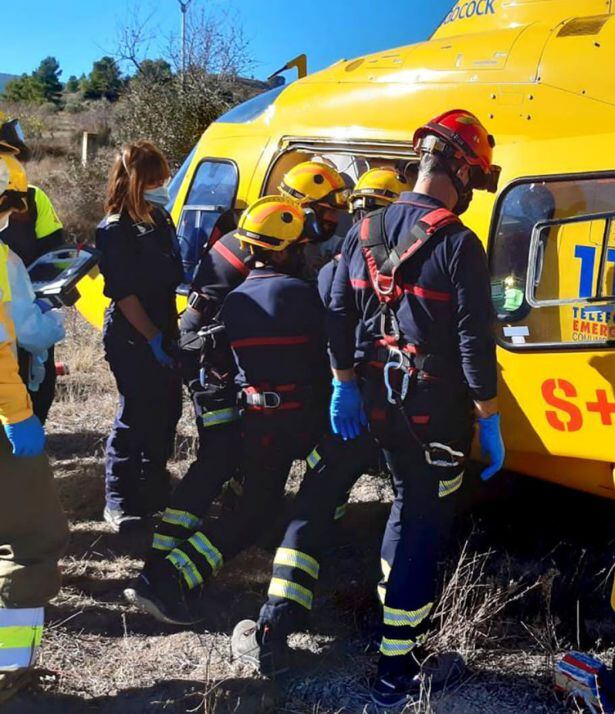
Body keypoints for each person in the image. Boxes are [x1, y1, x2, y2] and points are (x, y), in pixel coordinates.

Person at [324, 110, 506, 706]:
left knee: (406, 507)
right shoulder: (457, 242)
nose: (472, 194)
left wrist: (344, 381)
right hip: (436, 413)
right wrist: (489, 413)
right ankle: (394, 671)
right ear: (456, 167)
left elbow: (338, 315)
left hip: (378, 404)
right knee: (423, 527)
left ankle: (403, 638)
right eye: (473, 180)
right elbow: (475, 342)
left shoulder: (365, 230)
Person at [231, 167, 412, 677]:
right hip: (406, 409)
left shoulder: (336, 267)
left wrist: (337, 389)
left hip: (350, 409)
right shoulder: (426, 259)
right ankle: (397, 632)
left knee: (313, 508)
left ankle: (275, 625)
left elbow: (326, 342)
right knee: (409, 511)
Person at [126, 197, 329, 625]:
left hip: (255, 424)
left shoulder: (237, 301)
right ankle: (168, 579)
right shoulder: (304, 297)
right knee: (304, 497)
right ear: (282, 249)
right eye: (299, 246)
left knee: (254, 510)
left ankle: (166, 577)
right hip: (295, 424)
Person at [167, 160, 349, 521]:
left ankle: (248, 513)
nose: (333, 222)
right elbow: (213, 323)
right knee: (220, 454)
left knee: (256, 452)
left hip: (237, 365)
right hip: (211, 365)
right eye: (328, 212)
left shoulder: (285, 238)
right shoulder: (253, 244)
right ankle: (171, 540)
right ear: (304, 208)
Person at [0, 149, 69, 705]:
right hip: (4, 420)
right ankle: (9, 669)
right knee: (32, 543)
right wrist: (53, 315)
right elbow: (21, 337)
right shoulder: (3, 262)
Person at [96, 142, 184, 533]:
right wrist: (152, 337)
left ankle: (154, 492)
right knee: (135, 415)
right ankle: (120, 500)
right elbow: (124, 293)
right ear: (134, 181)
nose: (163, 185)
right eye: (156, 180)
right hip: (133, 335)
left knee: (167, 413)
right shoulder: (115, 230)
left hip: (164, 325)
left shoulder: (161, 218)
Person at [0, 112, 66, 423]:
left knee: (37, 391)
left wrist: (44, 298)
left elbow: (57, 254)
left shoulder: (35, 199)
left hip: (30, 311)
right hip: (19, 319)